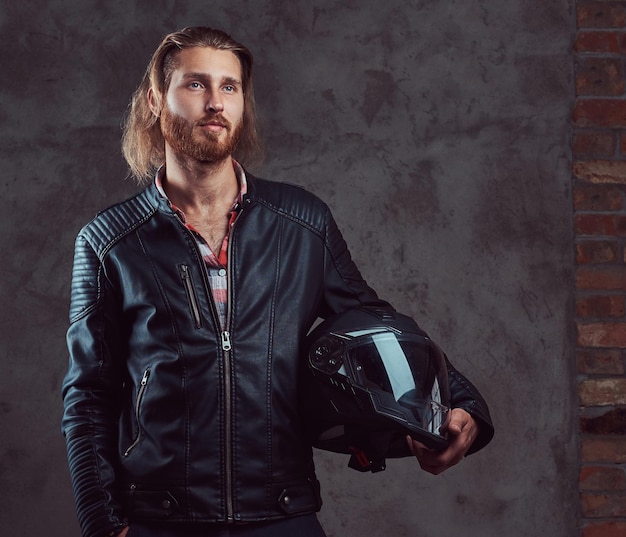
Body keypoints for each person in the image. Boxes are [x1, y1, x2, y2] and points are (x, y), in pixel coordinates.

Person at [62, 26, 494, 537]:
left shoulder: (301, 221)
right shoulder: (109, 241)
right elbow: (88, 394)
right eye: (196, 85)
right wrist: (102, 524)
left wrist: (461, 403)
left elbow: (374, 319)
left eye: (229, 87)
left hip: (283, 513)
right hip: (161, 517)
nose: (216, 103)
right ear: (156, 101)